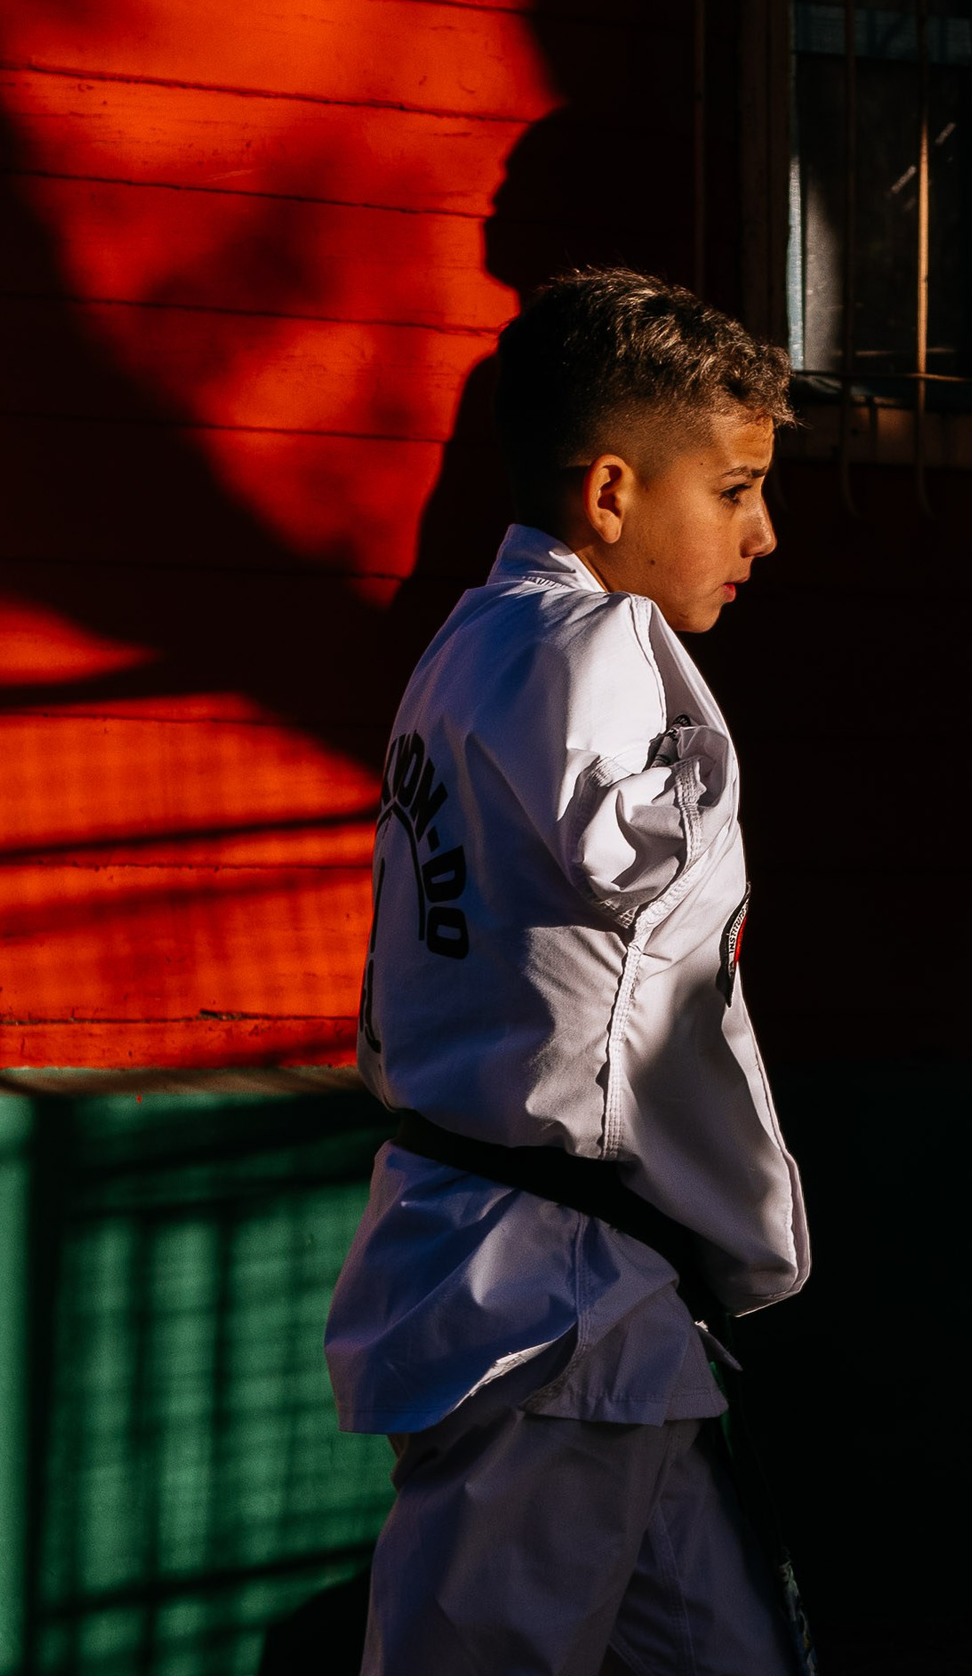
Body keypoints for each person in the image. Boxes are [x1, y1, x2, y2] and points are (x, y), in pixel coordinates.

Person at [325, 268, 811, 1673]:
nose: (761, 533)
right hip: (554, 1298)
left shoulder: (468, 644)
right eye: (733, 491)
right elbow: (636, 870)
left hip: (591, 1291)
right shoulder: (595, 640)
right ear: (611, 494)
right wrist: (705, 794)